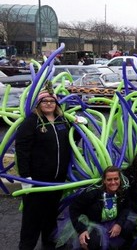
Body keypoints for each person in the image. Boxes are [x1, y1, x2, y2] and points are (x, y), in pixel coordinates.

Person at [15, 82, 81, 250]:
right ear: (38, 104)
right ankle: (26, 246)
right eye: (45, 101)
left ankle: (50, 243)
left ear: (56, 104)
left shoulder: (62, 120)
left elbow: (73, 141)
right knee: (32, 217)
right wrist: (25, 176)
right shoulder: (32, 122)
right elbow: (22, 150)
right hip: (37, 180)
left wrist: (82, 125)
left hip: (57, 179)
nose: (49, 104)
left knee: (51, 213)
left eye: (52, 101)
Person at [68, 166, 136, 250]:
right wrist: (81, 230)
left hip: (112, 220)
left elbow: (126, 207)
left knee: (128, 227)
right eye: (109, 179)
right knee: (92, 242)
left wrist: (119, 224)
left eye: (116, 179)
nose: (113, 182)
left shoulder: (123, 191)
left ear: (120, 179)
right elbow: (73, 209)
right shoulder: (92, 193)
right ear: (104, 180)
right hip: (93, 223)